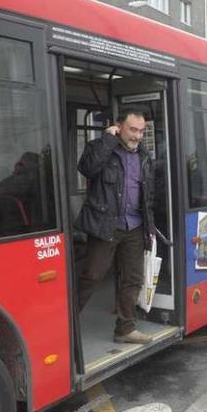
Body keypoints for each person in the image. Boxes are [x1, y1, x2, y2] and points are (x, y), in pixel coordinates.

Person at [76, 108, 155, 345]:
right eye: (133, 129)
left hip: (135, 225)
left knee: (132, 278)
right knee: (92, 275)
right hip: (106, 225)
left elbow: (147, 193)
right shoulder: (102, 147)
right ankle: (66, 324)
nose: (137, 136)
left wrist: (149, 226)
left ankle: (125, 328)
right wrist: (108, 140)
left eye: (141, 131)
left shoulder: (142, 154)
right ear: (118, 127)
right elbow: (87, 168)